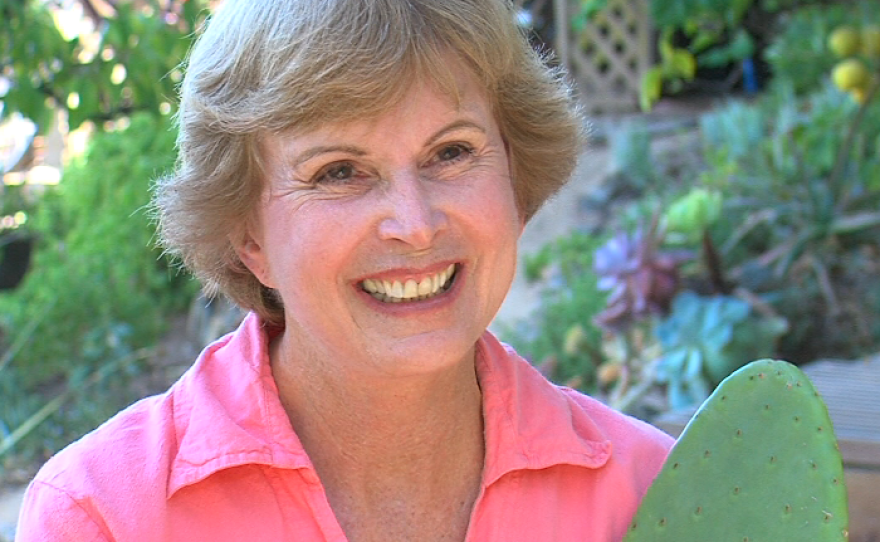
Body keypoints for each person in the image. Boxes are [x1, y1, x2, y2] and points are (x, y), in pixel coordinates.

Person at [16, 0, 674, 540]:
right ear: (247, 234)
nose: (414, 223)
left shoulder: (655, 492)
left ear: (515, 178)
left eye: (451, 153)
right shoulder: (105, 517)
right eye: (339, 172)